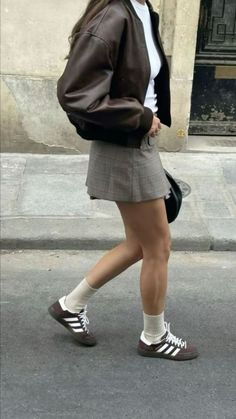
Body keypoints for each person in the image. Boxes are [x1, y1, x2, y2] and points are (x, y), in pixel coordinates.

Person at [48, 0, 199, 361]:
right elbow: (74, 92)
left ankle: (71, 305)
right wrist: (140, 117)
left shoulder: (141, 9)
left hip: (136, 140)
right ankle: (154, 336)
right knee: (159, 245)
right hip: (125, 145)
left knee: (139, 243)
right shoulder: (113, 15)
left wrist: (147, 119)